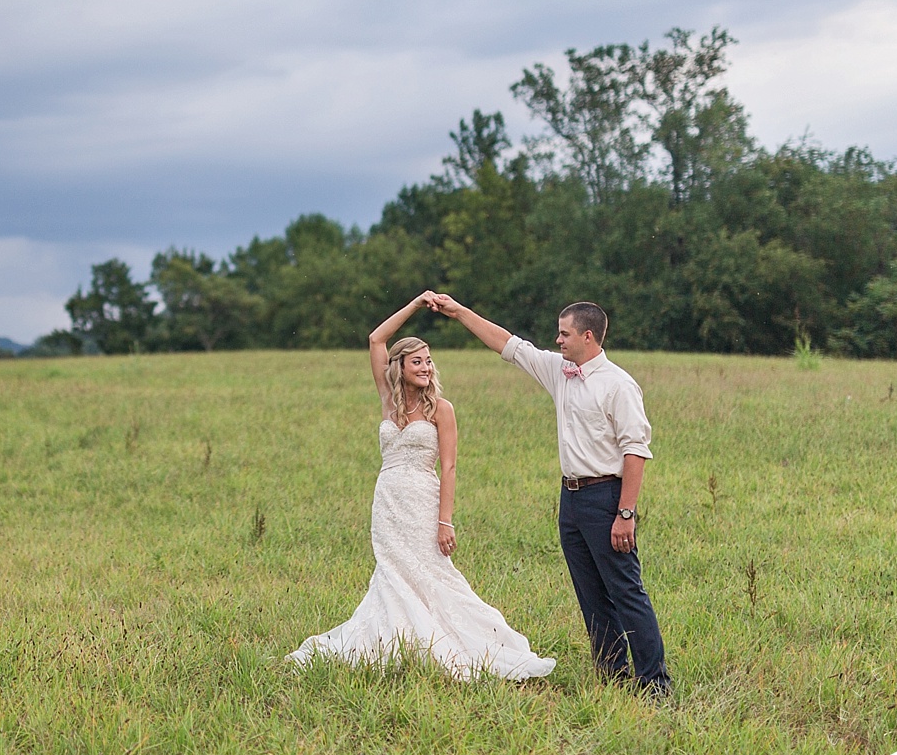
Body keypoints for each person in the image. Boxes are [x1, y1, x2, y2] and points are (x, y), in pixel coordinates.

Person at [287, 291, 556, 680]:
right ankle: (396, 640)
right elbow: (376, 339)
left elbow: (448, 467)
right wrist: (414, 306)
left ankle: (459, 641)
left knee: (433, 573)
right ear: (400, 367)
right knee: (392, 572)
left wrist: (445, 521)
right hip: (388, 501)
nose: (426, 368)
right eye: (417, 361)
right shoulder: (388, 401)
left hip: (422, 501)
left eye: (429, 361)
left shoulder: (440, 409)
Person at [430, 294, 673, 699]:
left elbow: (635, 451)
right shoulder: (560, 372)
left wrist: (625, 513)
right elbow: (509, 344)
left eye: (564, 334)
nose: (557, 340)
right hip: (571, 500)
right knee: (590, 594)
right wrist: (457, 311)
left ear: (588, 336)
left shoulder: (618, 385)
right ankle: (613, 674)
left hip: (607, 497)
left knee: (626, 591)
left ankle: (654, 684)